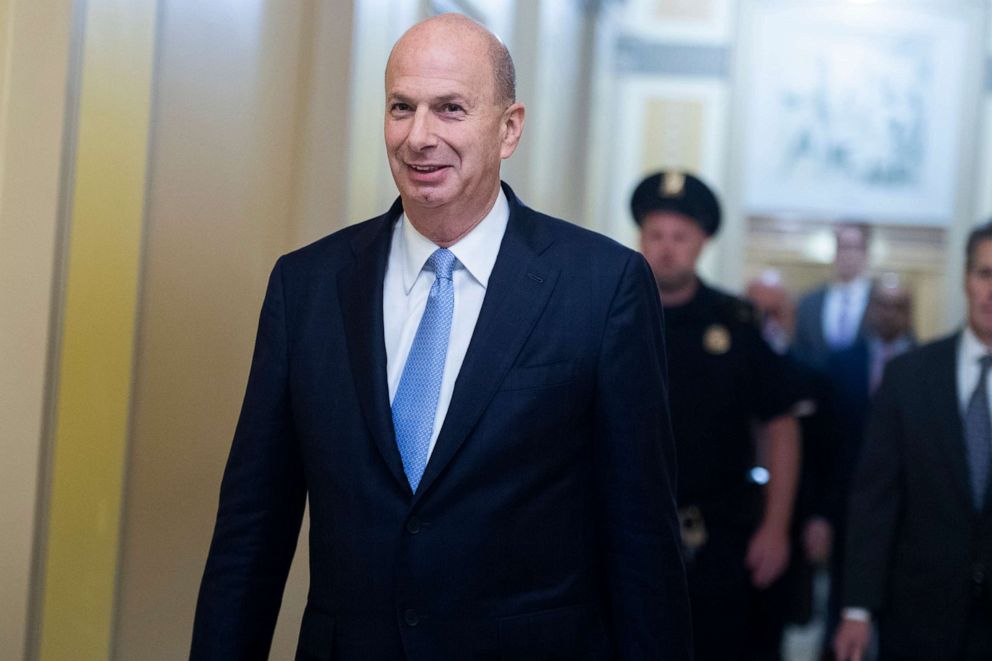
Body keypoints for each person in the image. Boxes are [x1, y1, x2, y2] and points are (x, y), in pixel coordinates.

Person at [190, 13, 691, 661]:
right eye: (402, 107)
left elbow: (641, 539)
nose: (419, 137)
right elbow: (251, 533)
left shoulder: (601, 287)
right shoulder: (306, 286)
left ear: (509, 127)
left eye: (450, 109)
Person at [632, 170, 801, 660]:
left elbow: (781, 424)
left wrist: (776, 525)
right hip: (633, 534)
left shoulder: (738, 322)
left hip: (721, 537)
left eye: (680, 237)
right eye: (656, 235)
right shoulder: (612, 316)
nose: (666, 248)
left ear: (703, 241)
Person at [834, 222, 992, 661]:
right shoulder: (910, 375)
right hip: (919, 613)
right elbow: (875, 497)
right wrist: (858, 608)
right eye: (985, 274)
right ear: (966, 277)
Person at [820, 276, 915, 657]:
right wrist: (820, 514)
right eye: (883, 304)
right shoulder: (841, 363)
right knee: (841, 615)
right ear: (870, 308)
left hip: (911, 522)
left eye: (899, 306)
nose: (889, 314)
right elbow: (825, 448)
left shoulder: (927, 369)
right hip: (845, 511)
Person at [792, 223, 873, 371]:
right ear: (835, 251)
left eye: (855, 247)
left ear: (865, 253)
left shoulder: (880, 303)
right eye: (844, 247)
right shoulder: (810, 302)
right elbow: (800, 350)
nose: (848, 254)